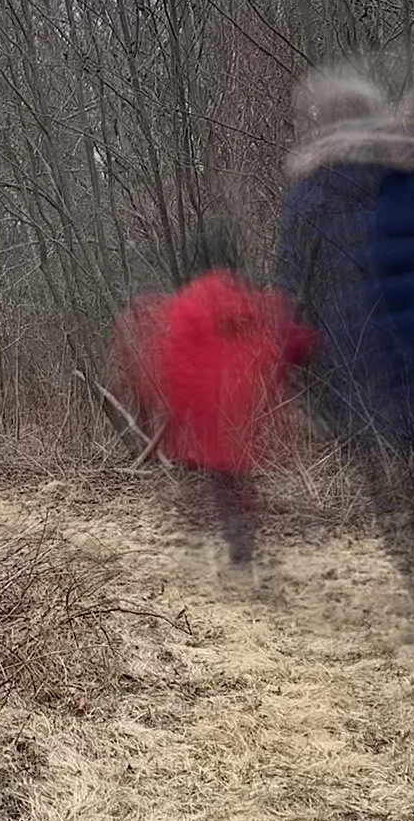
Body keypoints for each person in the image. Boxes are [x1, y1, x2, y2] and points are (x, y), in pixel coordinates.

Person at [274, 68, 414, 652]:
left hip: (356, 378)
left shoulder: (313, 193)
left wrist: (295, 370)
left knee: (388, 501)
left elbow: (293, 295)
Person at [112, 227, 313, 580]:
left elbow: (178, 365)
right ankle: (247, 555)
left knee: (223, 486)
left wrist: (174, 412)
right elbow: (288, 337)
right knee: (238, 483)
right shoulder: (251, 297)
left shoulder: (190, 304)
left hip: (212, 416)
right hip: (251, 411)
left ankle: (239, 561)